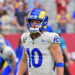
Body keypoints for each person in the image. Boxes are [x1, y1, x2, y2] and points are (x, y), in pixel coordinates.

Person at [17, 8, 64, 75]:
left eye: (37, 22)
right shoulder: (25, 38)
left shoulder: (49, 38)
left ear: (44, 22)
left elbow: (59, 60)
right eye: (32, 22)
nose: (34, 24)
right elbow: (24, 61)